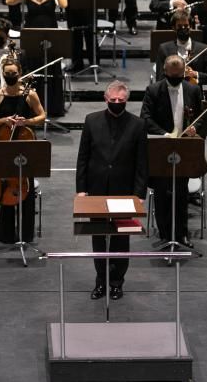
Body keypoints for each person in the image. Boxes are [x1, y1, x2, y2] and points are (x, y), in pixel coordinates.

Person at [77, 81, 147, 301]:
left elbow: (142, 163)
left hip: (124, 191)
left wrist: (139, 195)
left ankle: (117, 282)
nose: (117, 103)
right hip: (96, 190)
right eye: (113, 100)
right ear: (106, 99)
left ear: (127, 100)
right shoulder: (91, 120)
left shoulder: (138, 125)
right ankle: (100, 281)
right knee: (98, 238)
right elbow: (83, 157)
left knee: (121, 239)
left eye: (121, 101)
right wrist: (81, 190)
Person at [141, 55, 203, 247]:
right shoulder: (153, 90)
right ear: (165, 72)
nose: (176, 77)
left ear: (184, 72)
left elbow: (201, 117)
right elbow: (145, 118)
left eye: (179, 74)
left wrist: (195, 128)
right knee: (161, 193)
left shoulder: (193, 89)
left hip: (184, 148)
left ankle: (182, 234)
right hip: (161, 147)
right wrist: (164, 134)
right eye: (172, 74)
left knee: (182, 193)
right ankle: (165, 234)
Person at [0, 58, 45, 244]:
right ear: (3, 74)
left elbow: (42, 116)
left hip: (25, 145)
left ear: (20, 73)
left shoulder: (30, 95)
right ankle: (5, 234)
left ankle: (26, 234)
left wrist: (26, 122)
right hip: (5, 145)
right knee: (4, 188)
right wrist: (5, 120)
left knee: (26, 189)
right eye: (7, 74)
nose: (10, 76)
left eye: (13, 73)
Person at [5, 0, 67, 116]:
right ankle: (32, 107)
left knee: (51, 69)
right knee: (32, 69)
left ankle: (52, 107)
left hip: (51, 34)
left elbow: (65, 4)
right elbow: (9, 1)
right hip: (32, 34)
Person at [155, 8, 207, 90]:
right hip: (170, 94)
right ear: (173, 28)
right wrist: (176, 73)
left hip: (194, 95)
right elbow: (159, 78)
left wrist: (195, 74)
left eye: (186, 26)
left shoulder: (203, 48)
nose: (183, 28)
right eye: (179, 26)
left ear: (191, 27)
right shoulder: (164, 49)